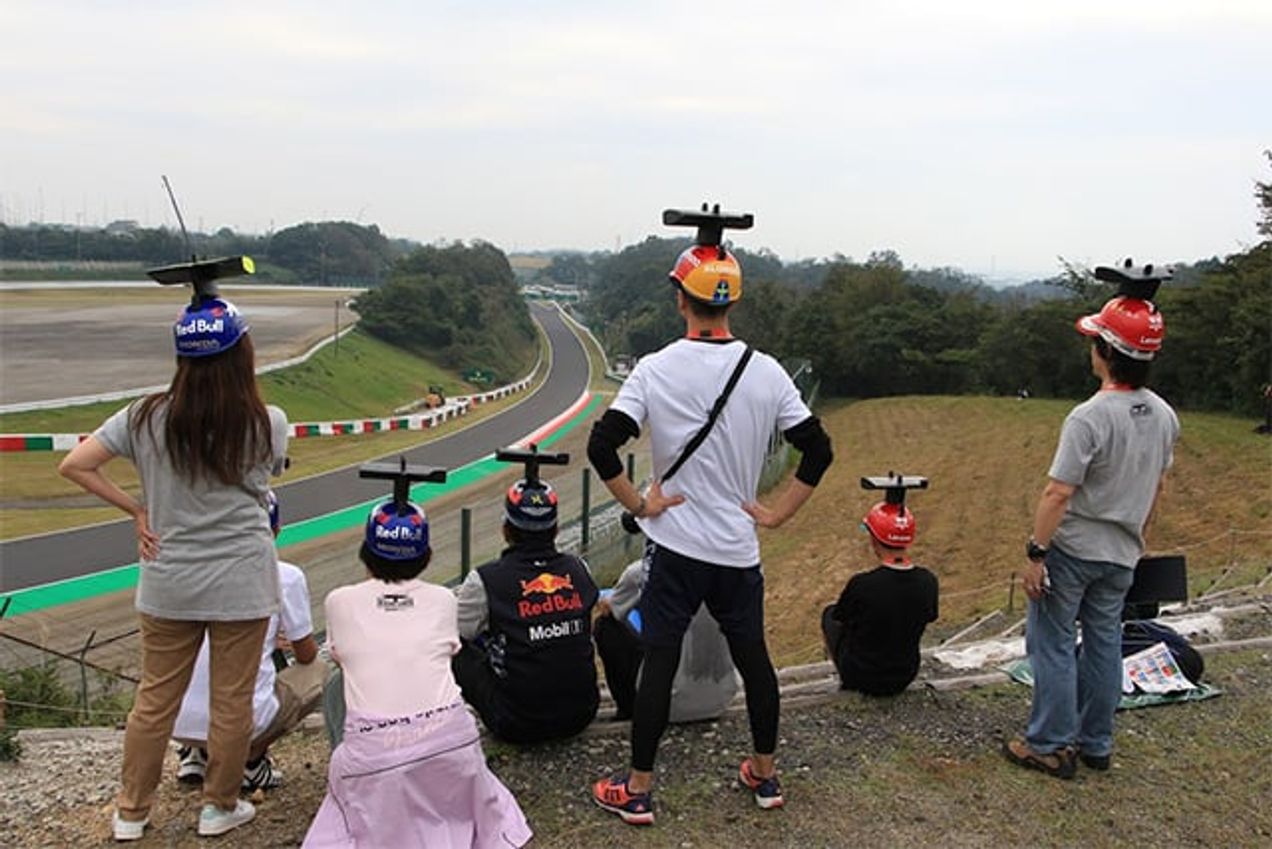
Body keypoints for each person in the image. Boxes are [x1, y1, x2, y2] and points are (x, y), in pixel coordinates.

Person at [586, 238, 834, 824]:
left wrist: (639, 504)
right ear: (731, 303)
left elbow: (603, 445)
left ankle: (639, 789)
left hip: (674, 545)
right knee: (755, 660)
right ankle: (766, 777)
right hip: (737, 547)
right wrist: (778, 514)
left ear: (680, 299)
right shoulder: (767, 372)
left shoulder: (655, 368)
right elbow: (818, 450)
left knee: (660, 660)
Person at [59, 296, 288, 840]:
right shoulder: (267, 422)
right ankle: (218, 806)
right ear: (242, 354)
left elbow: (75, 464)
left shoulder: (143, 416)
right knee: (230, 702)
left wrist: (137, 508)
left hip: (167, 577)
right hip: (242, 578)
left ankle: (131, 813)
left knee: (154, 698)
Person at [1004, 272, 1179, 779]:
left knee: (1053, 644)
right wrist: (1136, 536)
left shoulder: (1089, 417)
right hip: (1122, 552)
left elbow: (1058, 492)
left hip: (1075, 551)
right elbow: (1158, 488)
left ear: (1106, 351)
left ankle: (1049, 744)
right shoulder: (1164, 415)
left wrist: (1036, 552)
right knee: (1104, 642)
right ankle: (1096, 742)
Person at [303, 486, 531, 848]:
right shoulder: (443, 600)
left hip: (376, 757)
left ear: (366, 552)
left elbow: (346, 653)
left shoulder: (339, 602)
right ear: (425, 555)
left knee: (337, 682)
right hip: (454, 745)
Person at [171, 491, 325, 791]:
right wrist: (284, 641)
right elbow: (307, 656)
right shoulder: (285, 576)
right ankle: (251, 760)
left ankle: (195, 753)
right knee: (318, 671)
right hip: (238, 723)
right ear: (275, 530)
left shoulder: (187, 567)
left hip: (173, 718)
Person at [452, 472, 600, 743]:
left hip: (515, 724)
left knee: (456, 647)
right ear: (555, 529)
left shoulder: (485, 579)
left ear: (506, 529)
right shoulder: (579, 568)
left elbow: (457, 635)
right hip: (582, 713)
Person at [594, 559, 738, 723]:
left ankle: (629, 708)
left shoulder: (640, 571)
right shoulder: (726, 567)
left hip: (661, 705)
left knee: (605, 626)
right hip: (721, 698)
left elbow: (609, 608)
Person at [821, 499, 939, 696]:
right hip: (905, 674)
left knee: (829, 614)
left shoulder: (862, 584)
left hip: (860, 676)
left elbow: (840, 617)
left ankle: (844, 675)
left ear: (874, 538)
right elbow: (930, 616)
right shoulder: (928, 581)